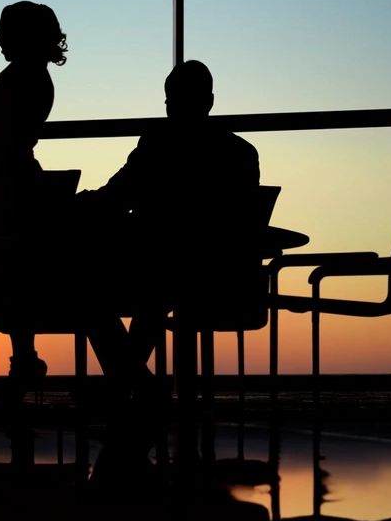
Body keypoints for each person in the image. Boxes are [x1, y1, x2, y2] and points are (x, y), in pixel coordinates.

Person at [83, 60, 261, 386]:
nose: (169, 109)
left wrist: (82, 202)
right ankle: (130, 386)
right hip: (225, 279)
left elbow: (118, 195)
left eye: (171, 101)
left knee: (88, 291)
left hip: (161, 271)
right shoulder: (242, 153)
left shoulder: (158, 143)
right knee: (157, 286)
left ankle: (132, 385)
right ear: (209, 101)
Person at [0, 1, 68, 394]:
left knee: (8, 267)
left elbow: (1, 139)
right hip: (12, 176)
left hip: (1, 180)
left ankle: (23, 358)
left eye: (4, 31)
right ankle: (23, 357)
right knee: (17, 270)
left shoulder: (18, 79)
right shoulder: (36, 78)